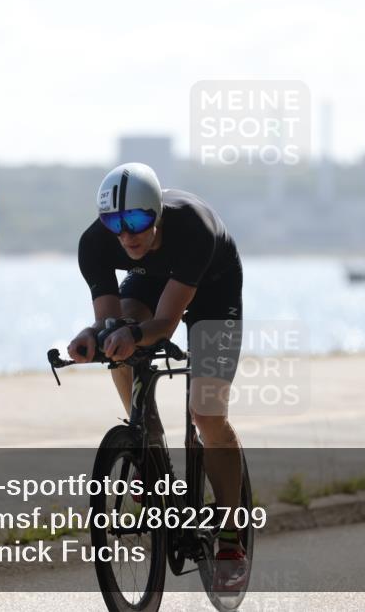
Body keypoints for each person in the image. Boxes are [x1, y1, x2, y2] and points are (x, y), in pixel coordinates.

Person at [68, 162, 248, 588]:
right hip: (151, 278)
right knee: (118, 341)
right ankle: (146, 441)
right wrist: (91, 337)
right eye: (115, 222)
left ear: (157, 214)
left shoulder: (193, 228)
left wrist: (133, 334)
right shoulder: (95, 244)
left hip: (214, 287)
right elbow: (109, 322)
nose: (127, 234)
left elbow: (166, 323)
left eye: (137, 221)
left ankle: (230, 537)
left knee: (207, 414)